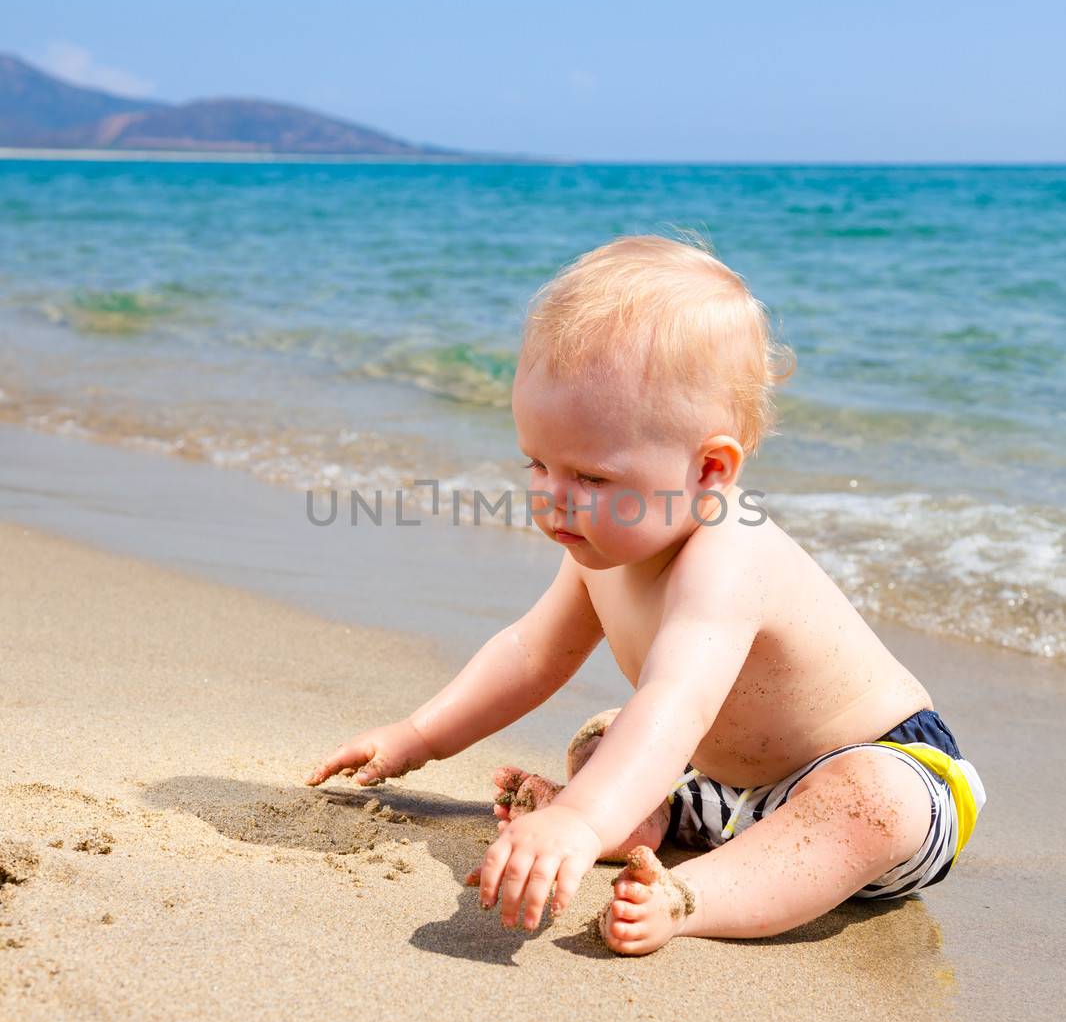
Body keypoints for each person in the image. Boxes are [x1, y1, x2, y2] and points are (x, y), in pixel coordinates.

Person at [306, 234, 985, 955]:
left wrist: (576, 821)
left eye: (591, 478)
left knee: (871, 802)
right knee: (607, 736)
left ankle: (693, 896)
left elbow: (676, 704)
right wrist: (418, 737)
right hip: (724, 791)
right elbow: (531, 654)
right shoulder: (601, 549)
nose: (553, 499)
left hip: (881, 775)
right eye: (537, 464)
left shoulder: (729, 555)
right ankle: (646, 821)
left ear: (710, 470)